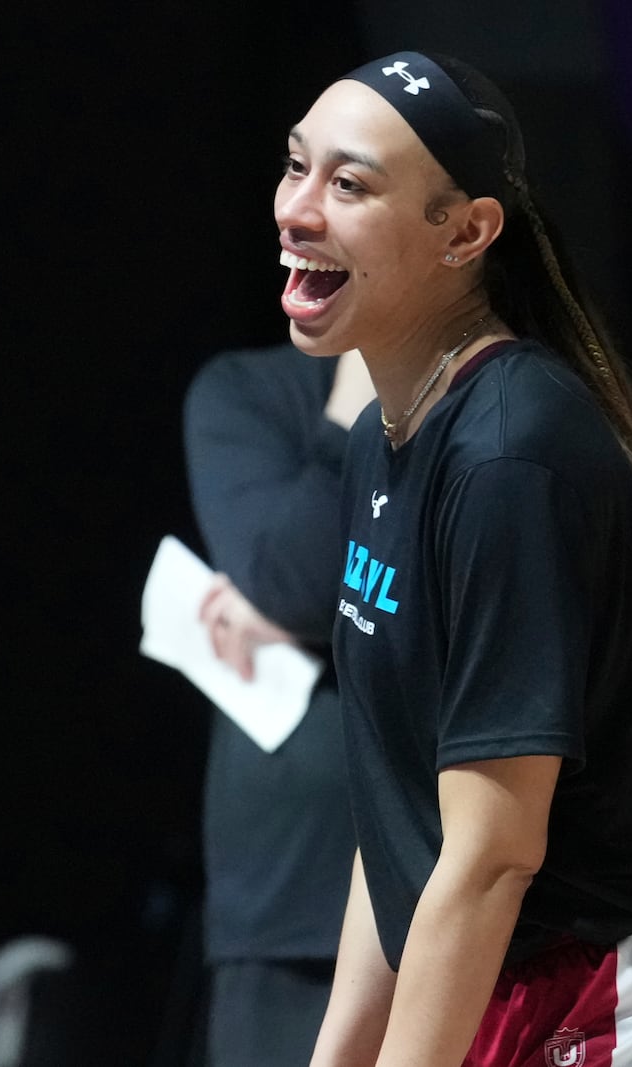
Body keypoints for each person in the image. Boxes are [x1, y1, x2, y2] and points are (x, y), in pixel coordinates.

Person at [265, 52, 632, 1065]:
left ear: (466, 232)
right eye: (295, 167)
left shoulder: (507, 452)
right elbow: (401, 824)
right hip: (511, 1003)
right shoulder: (380, 443)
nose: (297, 209)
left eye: (348, 184)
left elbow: (489, 855)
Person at [181, 341, 372, 1065]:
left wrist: (279, 618)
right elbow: (294, 577)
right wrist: (356, 400)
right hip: (291, 906)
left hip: (459, 888)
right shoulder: (245, 392)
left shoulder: (495, 397)